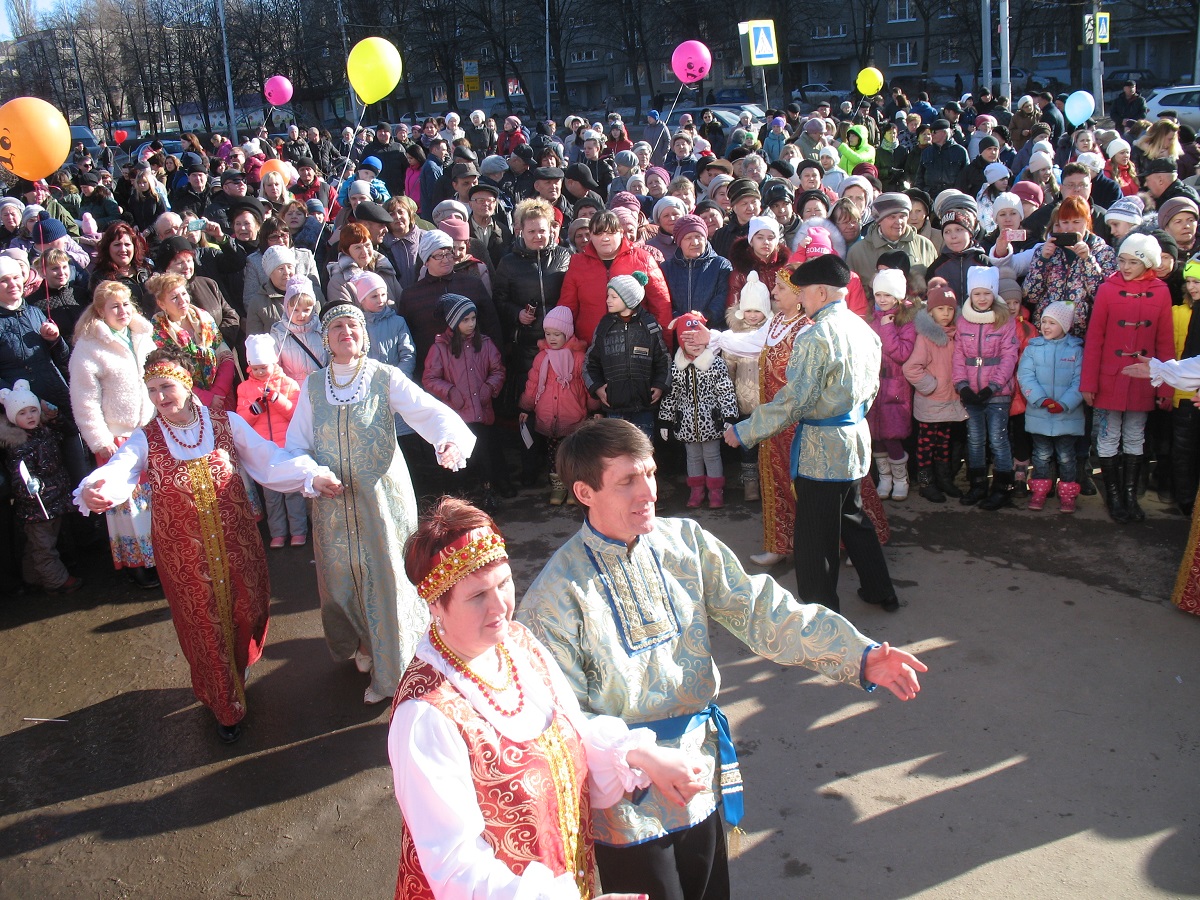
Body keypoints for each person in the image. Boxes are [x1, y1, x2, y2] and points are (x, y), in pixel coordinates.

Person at [518, 418, 927, 900]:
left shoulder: (685, 543)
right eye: (627, 480)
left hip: (699, 775)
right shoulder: (555, 595)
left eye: (649, 473)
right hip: (628, 801)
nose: (647, 491)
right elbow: (559, 717)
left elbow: (762, 612)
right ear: (585, 492)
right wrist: (639, 756)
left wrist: (857, 655)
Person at [389, 496, 707, 899]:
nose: (499, 607)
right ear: (436, 604)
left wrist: (641, 756)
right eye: (477, 596)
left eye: (504, 583)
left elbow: (570, 734)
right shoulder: (426, 715)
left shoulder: (517, 644)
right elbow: (456, 868)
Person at [77, 347, 342, 743]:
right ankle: (225, 705)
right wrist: (99, 489)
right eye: (151, 390)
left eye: (165, 386)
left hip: (238, 544)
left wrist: (312, 477)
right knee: (203, 626)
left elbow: (268, 459)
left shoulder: (226, 423)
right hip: (184, 556)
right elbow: (121, 468)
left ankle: (239, 668)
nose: (160, 397)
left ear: (185, 385)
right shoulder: (145, 438)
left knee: (248, 609)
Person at [283, 302, 476, 705]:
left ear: (363, 335)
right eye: (336, 326)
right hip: (333, 504)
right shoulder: (314, 387)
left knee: (386, 579)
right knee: (341, 581)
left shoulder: (383, 377)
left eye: (352, 325)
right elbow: (296, 445)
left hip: (383, 502)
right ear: (326, 338)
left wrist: (448, 438)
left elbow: (427, 410)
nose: (345, 332)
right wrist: (311, 474)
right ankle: (365, 646)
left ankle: (395, 667)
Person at [725, 254, 902, 612]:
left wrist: (746, 431)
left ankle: (821, 612)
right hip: (854, 439)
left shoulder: (816, 335)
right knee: (852, 517)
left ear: (821, 292)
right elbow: (870, 390)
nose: (799, 298)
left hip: (822, 447)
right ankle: (880, 589)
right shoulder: (863, 328)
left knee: (815, 536)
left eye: (803, 291)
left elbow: (795, 400)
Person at [68, 281, 159, 587]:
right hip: (116, 436)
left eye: (126, 304)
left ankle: (159, 556)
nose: (123, 311)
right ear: (100, 311)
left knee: (153, 501)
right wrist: (100, 440)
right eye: (114, 306)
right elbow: (84, 400)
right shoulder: (89, 347)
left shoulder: (143, 334)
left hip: (148, 429)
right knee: (125, 503)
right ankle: (137, 562)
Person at [1081, 233, 1174, 524]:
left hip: (1143, 378)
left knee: (1135, 436)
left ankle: (1130, 496)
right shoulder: (1108, 289)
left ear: (1147, 263)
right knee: (1109, 436)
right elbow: (1095, 338)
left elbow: (1165, 341)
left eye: (1133, 261)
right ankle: (1114, 497)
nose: (1125, 266)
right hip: (1111, 376)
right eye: (1122, 260)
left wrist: (1167, 384)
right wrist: (1089, 382)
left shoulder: (1161, 291)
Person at [422, 294, 506, 511]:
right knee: (460, 461)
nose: (471, 324)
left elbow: (498, 370)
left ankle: (488, 492)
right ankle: (461, 497)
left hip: (482, 412)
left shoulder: (485, 344)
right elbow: (429, 378)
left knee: (484, 456)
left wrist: (489, 388)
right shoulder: (440, 348)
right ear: (453, 322)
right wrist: (449, 391)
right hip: (457, 416)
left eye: (473, 319)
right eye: (465, 320)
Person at [0, 379, 82, 593]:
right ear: (12, 417)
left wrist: (57, 418)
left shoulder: (44, 432)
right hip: (38, 505)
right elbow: (21, 478)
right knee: (44, 546)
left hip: (54, 500)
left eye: (33, 410)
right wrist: (33, 490)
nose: (30, 416)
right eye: (23, 413)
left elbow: (65, 432)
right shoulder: (18, 446)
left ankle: (32, 576)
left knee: (39, 544)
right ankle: (57, 580)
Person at [952, 266, 1020, 509]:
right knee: (975, 439)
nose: (982, 298)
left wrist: (993, 387)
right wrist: (962, 385)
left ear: (994, 294)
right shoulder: (963, 321)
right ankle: (977, 484)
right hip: (971, 391)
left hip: (997, 393)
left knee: (998, 439)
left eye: (987, 293)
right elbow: (958, 355)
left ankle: (1003, 487)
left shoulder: (1005, 321)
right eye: (977, 293)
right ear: (971, 295)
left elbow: (1009, 356)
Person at [658, 312, 739, 509]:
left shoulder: (715, 364)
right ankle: (696, 490)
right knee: (692, 457)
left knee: (712, 455)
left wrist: (729, 416)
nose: (695, 345)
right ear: (680, 341)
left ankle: (715, 490)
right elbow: (671, 395)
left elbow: (725, 391)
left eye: (698, 340)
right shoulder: (677, 367)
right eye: (688, 340)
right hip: (685, 422)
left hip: (711, 422)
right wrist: (665, 420)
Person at [518, 305, 595, 506]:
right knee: (553, 454)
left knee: (573, 454)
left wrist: (595, 408)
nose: (552, 338)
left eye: (557, 334)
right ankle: (558, 486)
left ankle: (573, 486)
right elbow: (533, 385)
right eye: (548, 334)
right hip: (548, 415)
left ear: (567, 334)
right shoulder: (542, 357)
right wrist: (525, 407)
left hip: (573, 415)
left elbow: (587, 385)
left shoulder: (578, 357)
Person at [236, 334, 306, 548]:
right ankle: (277, 532)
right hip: (264, 451)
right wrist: (254, 410)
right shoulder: (245, 388)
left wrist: (277, 399)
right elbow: (241, 419)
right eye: (255, 368)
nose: (259, 373)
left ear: (274, 362)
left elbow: (296, 414)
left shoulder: (288, 384)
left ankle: (299, 531)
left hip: (287, 447)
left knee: (293, 493)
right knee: (272, 495)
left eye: (263, 368)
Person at [583, 272, 671, 438]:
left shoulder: (649, 325)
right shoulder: (604, 326)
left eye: (614, 296)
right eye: (608, 295)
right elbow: (590, 362)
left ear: (629, 299)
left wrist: (660, 385)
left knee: (643, 455)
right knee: (616, 454)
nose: (608, 300)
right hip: (614, 408)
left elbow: (664, 360)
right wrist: (597, 387)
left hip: (644, 407)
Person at [1017, 300, 1085, 512]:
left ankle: (1067, 495)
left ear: (1064, 326)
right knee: (1041, 455)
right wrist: (1041, 400)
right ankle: (1039, 491)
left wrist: (1065, 403)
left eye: (1052, 323)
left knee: (1066, 456)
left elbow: (1080, 381)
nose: (1046, 327)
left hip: (1067, 416)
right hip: (1040, 414)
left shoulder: (1076, 350)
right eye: (1044, 321)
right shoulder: (1033, 348)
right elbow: (1025, 376)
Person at [902, 280, 967, 502]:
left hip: (950, 401)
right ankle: (926, 482)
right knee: (926, 444)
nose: (946, 313)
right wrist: (932, 386)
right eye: (940, 309)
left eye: (950, 309)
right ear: (931, 311)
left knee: (944, 442)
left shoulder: (956, 335)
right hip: (932, 401)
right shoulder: (927, 337)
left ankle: (944, 479)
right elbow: (911, 368)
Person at [147, 273, 236, 410]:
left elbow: (225, 355)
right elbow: (171, 373)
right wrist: (206, 398)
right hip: (187, 403)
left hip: (222, 396)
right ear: (161, 304)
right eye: (174, 298)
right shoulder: (158, 331)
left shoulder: (204, 318)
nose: (182, 301)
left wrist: (218, 392)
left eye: (184, 293)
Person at [868, 268, 917, 502]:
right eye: (879, 295)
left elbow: (901, 353)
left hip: (895, 386)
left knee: (892, 435)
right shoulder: (872, 319)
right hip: (874, 386)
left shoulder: (905, 320)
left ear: (897, 296)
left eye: (887, 295)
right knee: (876, 435)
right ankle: (884, 478)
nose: (882, 300)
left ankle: (900, 479)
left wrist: (888, 328)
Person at [660, 214, 732, 330]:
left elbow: (724, 297)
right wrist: (681, 319)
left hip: (713, 332)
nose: (695, 242)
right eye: (688, 238)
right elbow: (663, 302)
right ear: (679, 242)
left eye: (699, 236)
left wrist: (704, 317)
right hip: (679, 332)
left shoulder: (720, 265)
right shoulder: (666, 268)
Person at [271, 276, 327, 387]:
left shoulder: (322, 329)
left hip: (322, 390)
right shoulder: (278, 333)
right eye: (295, 310)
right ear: (287, 308)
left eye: (306, 310)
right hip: (293, 395)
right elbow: (275, 369)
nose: (301, 315)